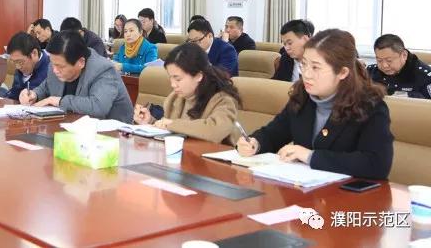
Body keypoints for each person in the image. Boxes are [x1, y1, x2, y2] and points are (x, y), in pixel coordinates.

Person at [237, 29, 394, 180]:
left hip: (348, 193)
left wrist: (310, 156)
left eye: (315, 67)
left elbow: (376, 164)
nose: (306, 74)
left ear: (342, 72)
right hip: (302, 189)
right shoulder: (302, 96)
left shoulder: (369, 105)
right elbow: (274, 133)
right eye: (304, 64)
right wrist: (255, 143)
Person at [133, 43, 240, 144]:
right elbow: (170, 131)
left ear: (198, 76)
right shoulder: (174, 99)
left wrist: (171, 124)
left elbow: (215, 130)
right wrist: (150, 122)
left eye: (178, 79)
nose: (173, 84)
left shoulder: (223, 100)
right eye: (171, 78)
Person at [20, 31, 133, 123]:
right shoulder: (56, 63)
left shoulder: (103, 70)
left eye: (60, 66)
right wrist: (34, 94)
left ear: (81, 62)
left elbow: (98, 107)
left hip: (113, 135)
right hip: (70, 128)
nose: (54, 70)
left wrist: (58, 101)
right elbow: (46, 86)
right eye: (52, 64)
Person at [367, 34, 431, 99]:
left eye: (389, 60)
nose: (384, 65)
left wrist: (410, 96)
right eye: (379, 60)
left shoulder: (425, 77)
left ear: (404, 55)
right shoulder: (370, 72)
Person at [0, 32, 49, 100]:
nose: (17, 67)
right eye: (14, 62)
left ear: (34, 53)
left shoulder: (51, 70)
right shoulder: (20, 69)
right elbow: (14, 94)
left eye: (20, 62)